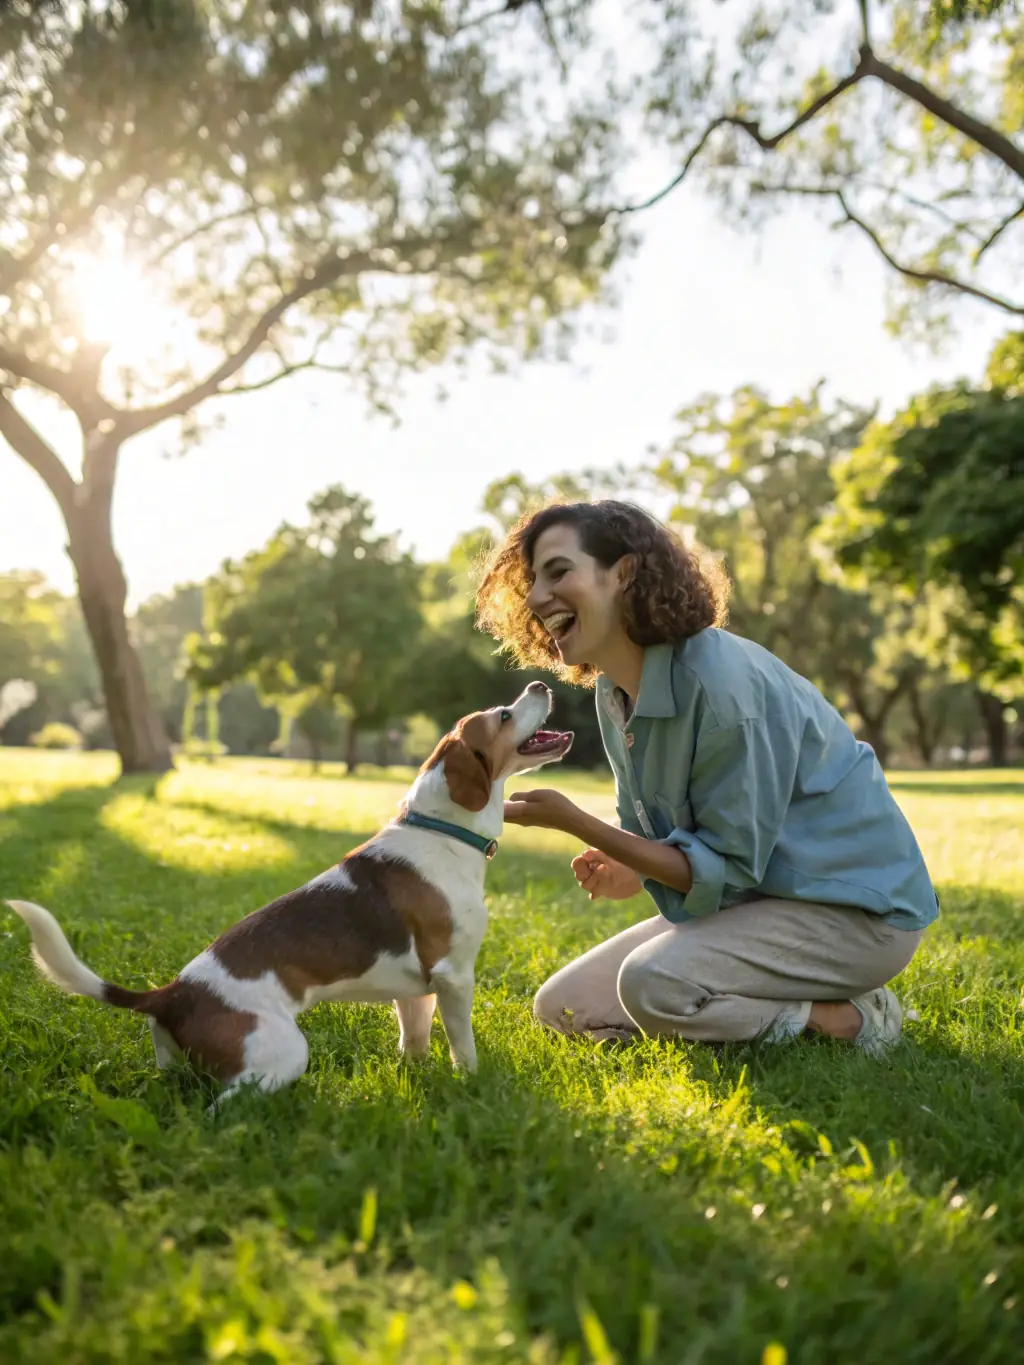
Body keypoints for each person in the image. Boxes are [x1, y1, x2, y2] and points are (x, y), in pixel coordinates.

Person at [475, 500, 938, 1052]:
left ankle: (848, 1018)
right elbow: (669, 836)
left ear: (624, 573)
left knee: (651, 985)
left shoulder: (722, 686)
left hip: (860, 919)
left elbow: (731, 870)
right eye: (532, 582)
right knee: (562, 1007)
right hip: (767, 906)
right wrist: (630, 861)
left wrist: (578, 824)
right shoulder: (614, 691)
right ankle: (723, 1015)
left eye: (558, 572)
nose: (534, 598)